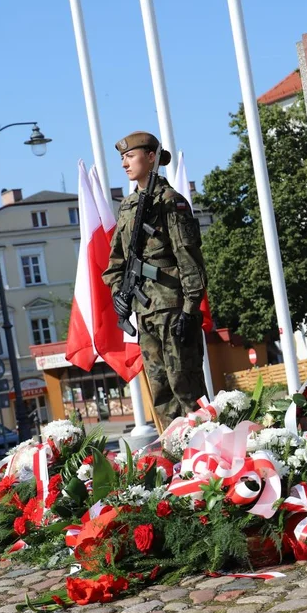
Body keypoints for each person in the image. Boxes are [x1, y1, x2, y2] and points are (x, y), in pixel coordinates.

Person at [103, 132, 207, 425]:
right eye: (122, 158)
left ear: (151, 157)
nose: (124, 163)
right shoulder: (127, 206)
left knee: (186, 389)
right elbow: (115, 264)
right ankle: (176, 460)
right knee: (160, 394)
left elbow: (188, 258)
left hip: (174, 309)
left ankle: (209, 457)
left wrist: (190, 308)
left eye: (130, 156)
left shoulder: (171, 202)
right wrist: (118, 295)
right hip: (144, 311)